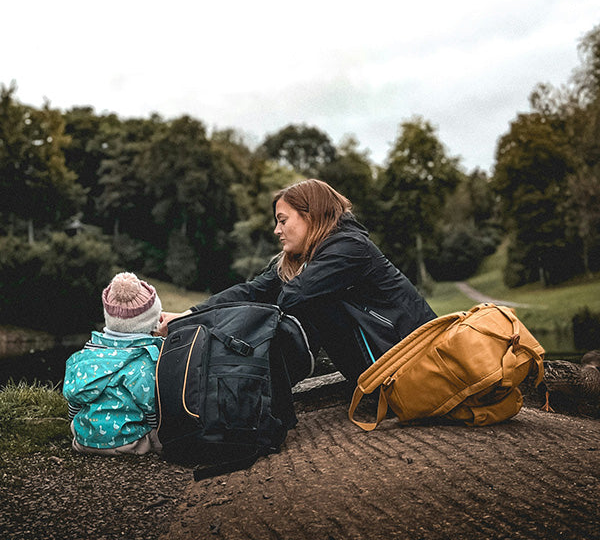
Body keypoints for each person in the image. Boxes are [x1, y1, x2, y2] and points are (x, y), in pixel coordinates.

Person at [158, 179, 436, 384]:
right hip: (388, 366)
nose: (276, 230)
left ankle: (254, 396)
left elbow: (290, 298)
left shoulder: (349, 248)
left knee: (296, 311)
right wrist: (189, 316)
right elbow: (253, 290)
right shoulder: (313, 257)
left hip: (415, 365)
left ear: (310, 216)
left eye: (282, 220)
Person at [63, 272, 164, 455]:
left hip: (83, 441)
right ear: (152, 322)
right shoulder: (145, 362)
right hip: (131, 442)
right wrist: (155, 428)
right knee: (160, 435)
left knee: (77, 419)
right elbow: (151, 410)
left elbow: (75, 401)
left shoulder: (87, 355)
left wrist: (75, 421)